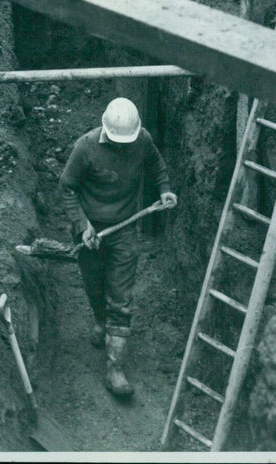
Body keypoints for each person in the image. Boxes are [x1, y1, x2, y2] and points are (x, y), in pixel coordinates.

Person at [59, 97, 177, 398]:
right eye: (118, 142)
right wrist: (81, 224)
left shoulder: (142, 140)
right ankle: (100, 320)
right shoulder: (85, 147)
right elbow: (67, 187)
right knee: (95, 286)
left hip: (125, 229)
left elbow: (157, 165)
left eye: (129, 142)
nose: (124, 147)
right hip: (91, 232)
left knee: (121, 297)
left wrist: (164, 191)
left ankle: (115, 369)